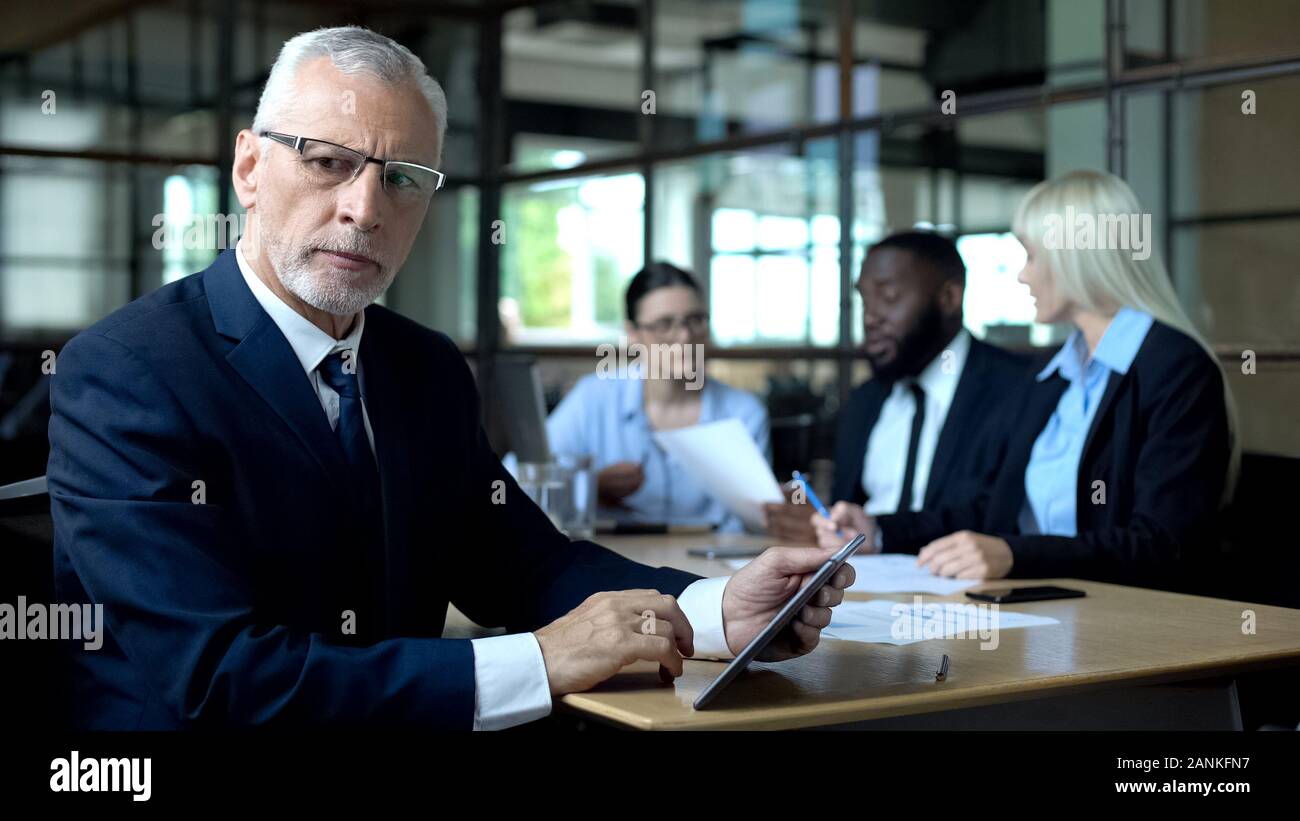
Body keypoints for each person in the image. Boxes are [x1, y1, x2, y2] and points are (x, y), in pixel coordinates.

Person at [47, 26, 854, 731]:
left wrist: (717, 608)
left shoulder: (423, 366)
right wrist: (536, 661)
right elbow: (217, 674)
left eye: (402, 179)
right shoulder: (126, 372)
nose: (365, 208)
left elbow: (526, 565)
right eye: (328, 162)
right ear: (250, 167)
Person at [812, 170, 1239, 590]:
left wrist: (1015, 555)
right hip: (1045, 613)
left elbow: (1165, 544)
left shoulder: (1176, 369)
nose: (1023, 275)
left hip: (1133, 623)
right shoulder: (1051, 376)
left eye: (1031, 255)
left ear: (1077, 254)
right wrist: (878, 530)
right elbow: (990, 511)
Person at [765, 231, 1030, 543]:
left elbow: (999, 516)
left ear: (949, 298)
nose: (870, 317)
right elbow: (846, 509)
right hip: (861, 584)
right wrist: (821, 520)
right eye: (864, 299)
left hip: (968, 585)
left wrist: (880, 533)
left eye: (889, 297)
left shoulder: (1017, 389)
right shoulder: (866, 399)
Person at [547, 262, 770, 533]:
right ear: (633, 334)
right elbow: (522, 479)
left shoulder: (744, 414)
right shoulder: (591, 399)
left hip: (713, 569)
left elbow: (756, 525)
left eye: (695, 320)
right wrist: (590, 486)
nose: (685, 337)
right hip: (615, 565)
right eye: (665, 324)